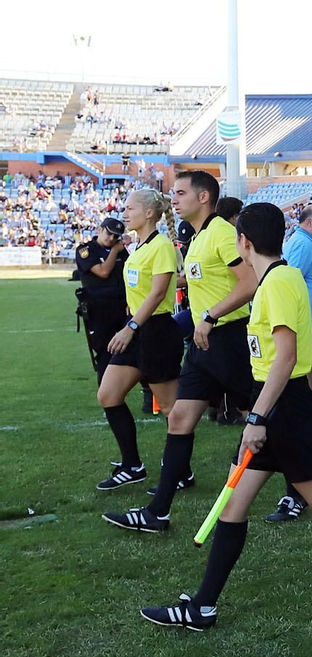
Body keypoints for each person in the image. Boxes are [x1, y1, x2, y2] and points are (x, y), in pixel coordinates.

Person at [140, 203, 312, 630]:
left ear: (244, 242)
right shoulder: (275, 279)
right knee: (233, 504)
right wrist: (311, 404)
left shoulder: (278, 282)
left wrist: (257, 419)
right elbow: (306, 351)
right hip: (280, 404)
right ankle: (203, 606)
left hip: (280, 409)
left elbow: (286, 359)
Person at [105, 172, 258, 532]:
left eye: (180, 192)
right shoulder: (198, 236)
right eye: (172, 193)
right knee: (178, 419)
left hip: (229, 338)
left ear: (204, 197)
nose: (173, 199)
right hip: (205, 343)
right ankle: (157, 512)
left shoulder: (220, 231)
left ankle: (301, 486)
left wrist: (209, 316)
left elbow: (250, 283)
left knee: (262, 417)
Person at [96, 188, 184, 491]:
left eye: (129, 208)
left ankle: (181, 472)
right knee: (108, 395)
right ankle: (132, 465)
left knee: (172, 409)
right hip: (136, 328)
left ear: (149, 213)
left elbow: (159, 292)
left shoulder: (160, 245)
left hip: (154, 331)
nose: (124, 212)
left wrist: (130, 326)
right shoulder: (140, 246)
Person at [266, 203, 312, 523]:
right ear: (308, 222)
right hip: (306, 331)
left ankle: (299, 487)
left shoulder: (307, 243)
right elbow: (288, 283)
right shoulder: (299, 245)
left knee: (311, 396)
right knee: (305, 400)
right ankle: (299, 488)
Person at [75, 217, 129, 379]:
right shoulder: (86, 250)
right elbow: (103, 272)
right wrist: (114, 251)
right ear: (99, 229)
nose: (111, 238)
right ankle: (108, 398)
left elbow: (128, 275)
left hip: (121, 307)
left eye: (116, 236)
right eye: (109, 233)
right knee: (105, 353)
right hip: (98, 310)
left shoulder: (120, 250)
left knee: (131, 350)